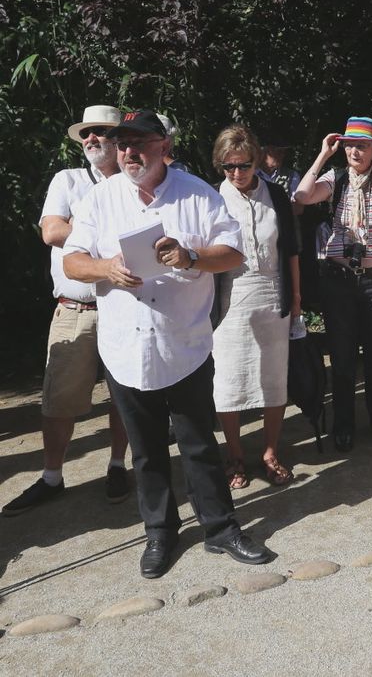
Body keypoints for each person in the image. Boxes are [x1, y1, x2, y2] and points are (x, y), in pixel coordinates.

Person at [63, 109, 274, 578]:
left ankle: (220, 528)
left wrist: (190, 255)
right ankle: (160, 532)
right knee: (146, 449)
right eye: (122, 144)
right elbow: (73, 262)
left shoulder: (196, 193)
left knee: (199, 443)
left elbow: (234, 252)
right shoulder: (100, 199)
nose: (128, 152)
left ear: (164, 147)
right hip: (124, 348)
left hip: (185, 344)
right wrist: (107, 269)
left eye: (138, 142)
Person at [2, 105, 132, 517]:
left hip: (125, 306)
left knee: (124, 396)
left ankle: (117, 466)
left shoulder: (134, 182)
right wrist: (100, 231)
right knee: (58, 400)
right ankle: (52, 477)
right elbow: (52, 231)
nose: (91, 139)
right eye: (86, 134)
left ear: (119, 141)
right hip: (75, 308)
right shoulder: (69, 179)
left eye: (101, 133)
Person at [293, 116, 372, 452]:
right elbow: (302, 196)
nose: (354, 151)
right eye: (349, 145)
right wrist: (322, 155)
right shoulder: (337, 178)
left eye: (362, 145)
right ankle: (343, 426)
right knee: (344, 360)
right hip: (339, 280)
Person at [210, 124, 301, 489]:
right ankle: (234, 455)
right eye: (228, 167)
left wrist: (295, 296)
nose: (236, 173)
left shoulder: (276, 195)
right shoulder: (211, 198)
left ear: (256, 161)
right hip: (228, 300)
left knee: (273, 379)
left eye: (243, 165)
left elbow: (291, 249)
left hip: (272, 295)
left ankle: (269, 452)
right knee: (228, 383)